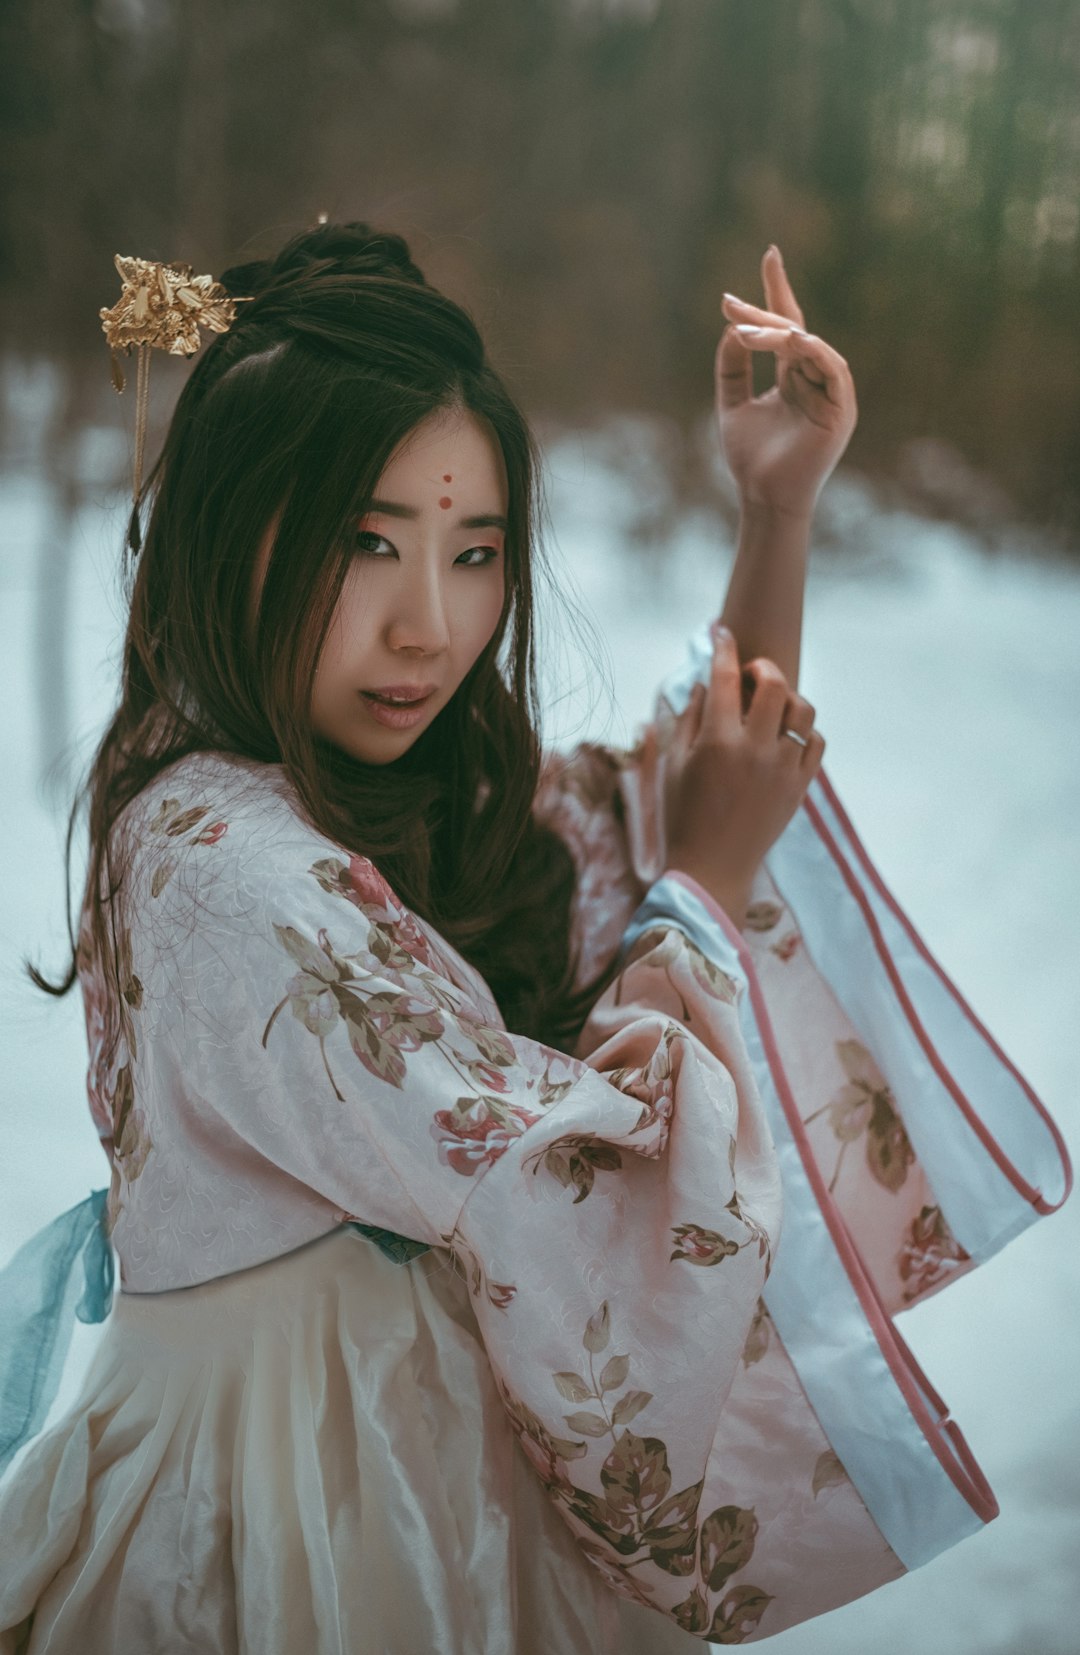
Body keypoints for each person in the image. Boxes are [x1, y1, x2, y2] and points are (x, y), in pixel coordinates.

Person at [0, 222, 1069, 1654]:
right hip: (287, 1536)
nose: (430, 627)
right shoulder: (221, 866)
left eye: (477, 551)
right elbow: (591, 1181)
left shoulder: (326, 791)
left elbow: (658, 817)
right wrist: (697, 885)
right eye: (365, 542)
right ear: (227, 521)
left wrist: (773, 518)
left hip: (417, 1496)